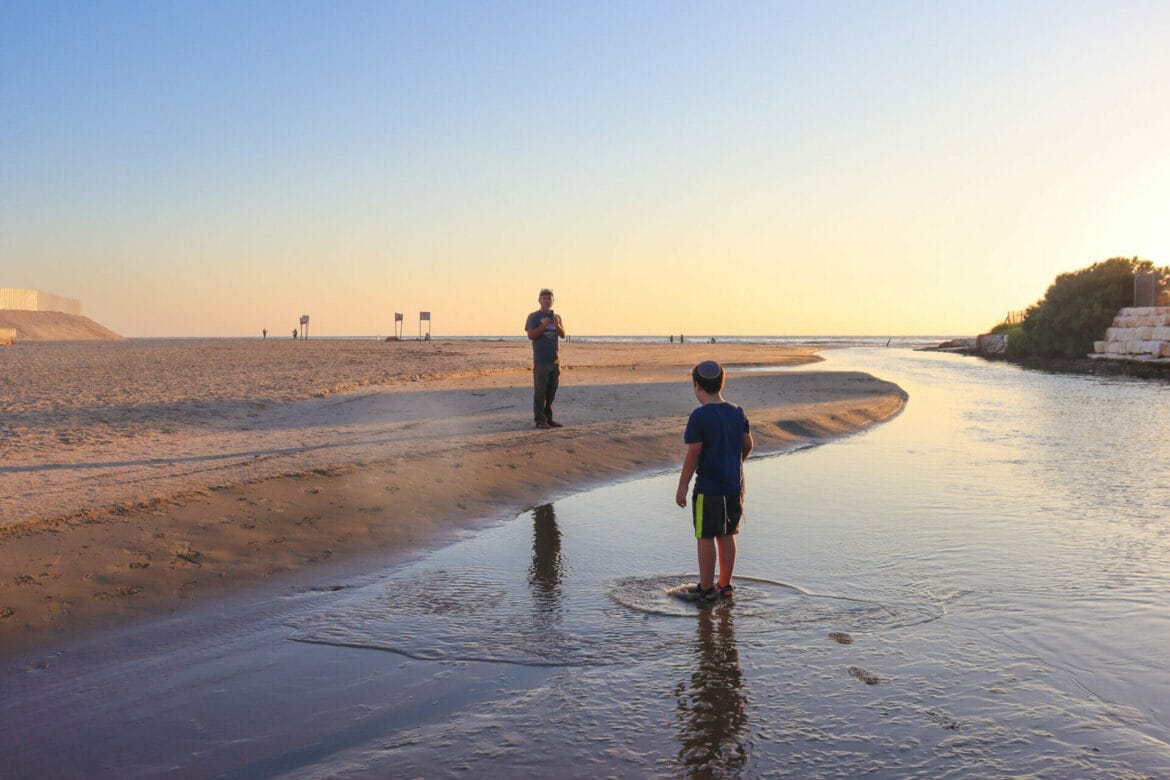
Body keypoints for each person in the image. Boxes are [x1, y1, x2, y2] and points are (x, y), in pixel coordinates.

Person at [675, 360, 753, 602]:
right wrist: (734, 463)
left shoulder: (699, 416)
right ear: (722, 383)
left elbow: (694, 452)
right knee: (727, 534)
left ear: (697, 387)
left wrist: (682, 486)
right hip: (734, 486)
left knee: (705, 536)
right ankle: (725, 585)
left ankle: (707, 588)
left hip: (708, 488)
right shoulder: (737, 411)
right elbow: (748, 444)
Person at [525, 287, 566, 429]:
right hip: (541, 359)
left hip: (554, 359)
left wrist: (557, 325)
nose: (547, 301)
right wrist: (543, 325)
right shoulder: (533, 317)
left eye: (549, 299)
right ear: (539, 300)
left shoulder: (557, 317)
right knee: (540, 390)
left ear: (553, 301)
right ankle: (540, 420)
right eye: (544, 298)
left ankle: (549, 418)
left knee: (551, 391)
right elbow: (531, 335)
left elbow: (563, 335)